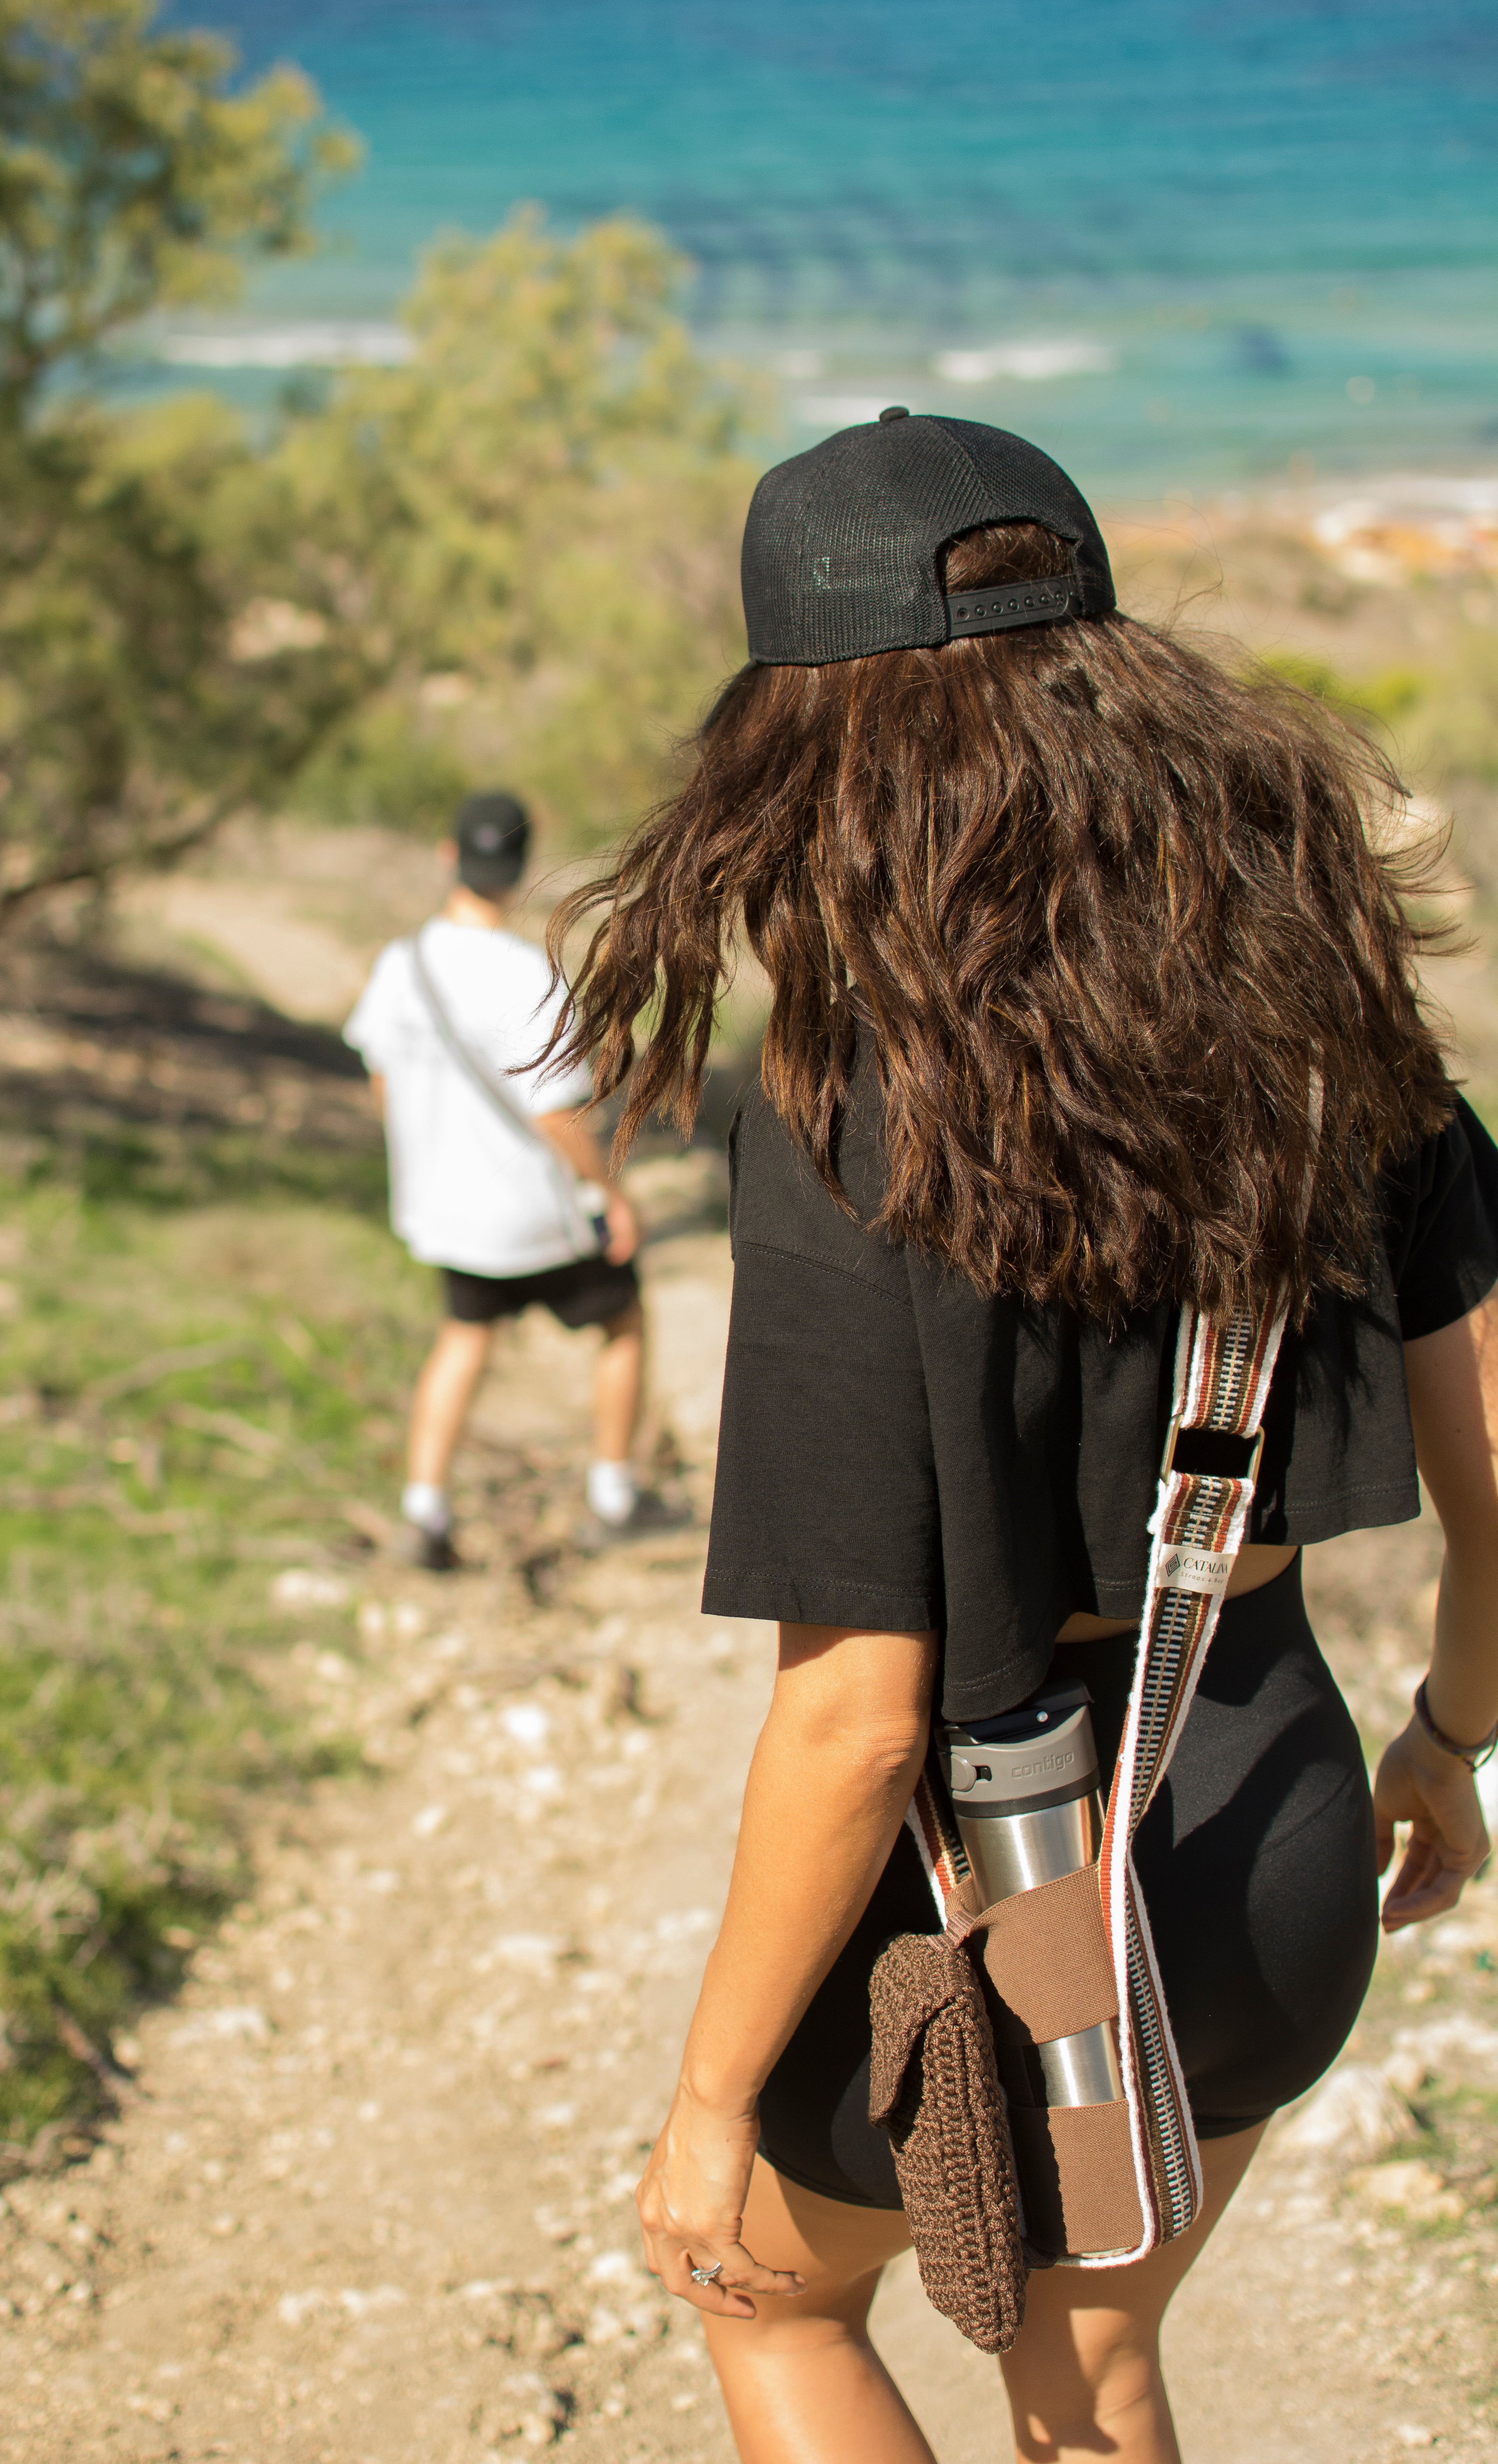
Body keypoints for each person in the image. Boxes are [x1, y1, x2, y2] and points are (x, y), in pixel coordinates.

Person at [545, 412, 1498, 2464]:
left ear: (800, 733)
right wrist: (1447, 1733)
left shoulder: (844, 1128)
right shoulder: (1336, 1035)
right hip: (1268, 1826)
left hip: (983, 1876)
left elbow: (856, 1721)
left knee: (770, 2295)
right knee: (1090, 2365)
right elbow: (1495, 1471)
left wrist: (704, 2104)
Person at [347, 789, 673, 1568]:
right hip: (533, 1215)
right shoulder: (525, 973)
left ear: (447, 856)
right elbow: (556, 1114)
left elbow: (384, 1081)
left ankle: (425, 1511)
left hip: (451, 1213)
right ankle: (613, 1496)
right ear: (520, 870)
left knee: (465, 1338)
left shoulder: (403, 964)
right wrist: (610, 1195)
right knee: (624, 1322)